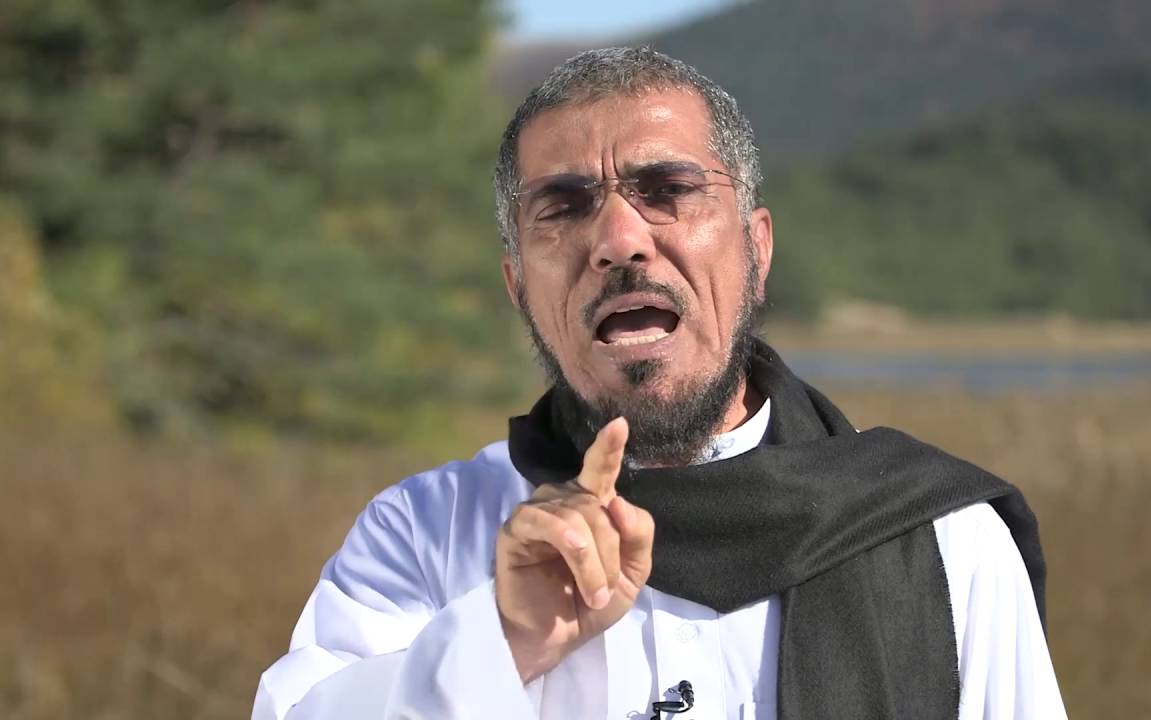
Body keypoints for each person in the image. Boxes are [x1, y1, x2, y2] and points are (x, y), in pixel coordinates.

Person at [251, 46, 1067, 720]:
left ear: (756, 251)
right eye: (563, 207)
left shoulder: (943, 541)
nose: (618, 239)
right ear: (518, 286)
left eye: (668, 191)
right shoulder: (425, 538)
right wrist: (497, 642)